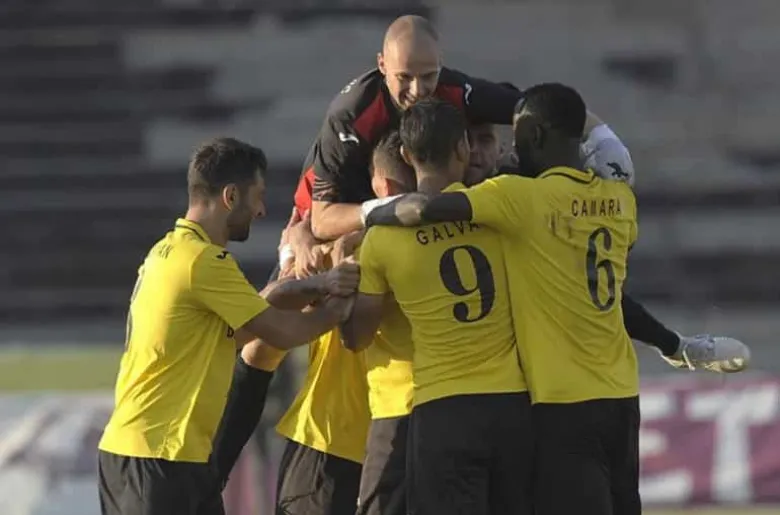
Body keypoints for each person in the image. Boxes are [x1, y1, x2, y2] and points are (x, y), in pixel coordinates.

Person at [363, 85, 750, 515]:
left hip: (562, 403)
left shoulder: (517, 200)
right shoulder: (620, 198)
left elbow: (426, 210)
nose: (511, 149)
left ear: (536, 136)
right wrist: (673, 345)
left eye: (517, 137)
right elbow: (609, 289)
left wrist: (365, 214)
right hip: (621, 393)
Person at [96, 138, 357, 515]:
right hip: (161, 458)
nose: (261, 209)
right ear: (231, 196)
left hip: (149, 453)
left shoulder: (168, 250)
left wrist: (313, 285)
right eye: (258, 196)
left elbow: (246, 322)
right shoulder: (205, 262)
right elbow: (282, 332)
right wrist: (339, 307)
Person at [342, 99, 533, 515]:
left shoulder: (383, 240)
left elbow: (357, 336)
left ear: (407, 155)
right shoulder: (499, 209)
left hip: (441, 407)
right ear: (463, 147)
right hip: (511, 403)